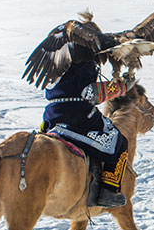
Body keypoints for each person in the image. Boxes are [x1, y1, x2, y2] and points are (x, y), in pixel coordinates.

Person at [41, 56, 136, 208]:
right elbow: (90, 93)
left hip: (52, 117)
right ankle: (109, 190)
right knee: (118, 141)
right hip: (79, 117)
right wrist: (123, 87)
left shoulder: (52, 57)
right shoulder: (82, 59)